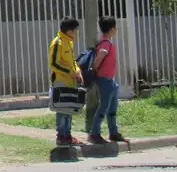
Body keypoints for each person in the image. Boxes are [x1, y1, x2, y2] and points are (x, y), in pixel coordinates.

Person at [89, 16, 127, 144]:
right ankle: (94, 133)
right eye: (115, 28)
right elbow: (99, 58)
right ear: (111, 29)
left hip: (110, 80)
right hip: (104, 80)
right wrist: (95, 69)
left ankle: (113, 132)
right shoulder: (106, 44)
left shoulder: (105, 42)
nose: (116, 30)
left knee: (112, 107)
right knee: (104, 106)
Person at [48, 17, 84, 146]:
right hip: (60, 81)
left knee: (69, 108)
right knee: (62, 109)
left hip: (71, 81)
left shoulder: (69, 42)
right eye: (75, 30)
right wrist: (69, 73)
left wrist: (78, 71)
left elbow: (73, 61)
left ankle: (68, 135)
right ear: (69, 30)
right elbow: (53, 64)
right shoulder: (57, 43)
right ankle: (61, 136)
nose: (76, 33)